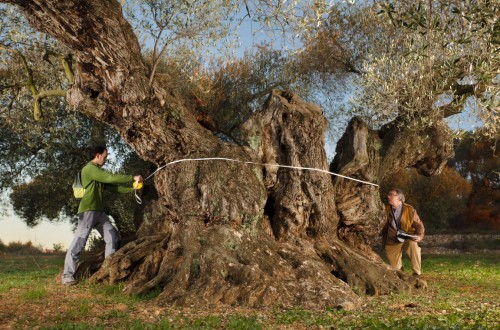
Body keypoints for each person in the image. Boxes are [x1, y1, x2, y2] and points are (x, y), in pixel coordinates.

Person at [62, 145, 143, 285]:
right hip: (88, 211)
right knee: (79, 242)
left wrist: (133, 187)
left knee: (112, 236)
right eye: (104, 157)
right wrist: (131, 178)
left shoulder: (98, 172)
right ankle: (67, 276)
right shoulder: (90, 169)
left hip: (99, 212)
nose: (105, 160)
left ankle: (107, 272)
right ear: (98, 155)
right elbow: (111, 178)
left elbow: (115, 188)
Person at [382, 188, 425, 277]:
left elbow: (419, 224)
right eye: (388, 194)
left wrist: (420, 236)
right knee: (396, 270)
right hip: (392, 240)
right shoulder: (384, 208)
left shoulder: (410, 209)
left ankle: (416, 273)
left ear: (399, 198)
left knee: (414, 246)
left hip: (407, 237)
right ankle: (400, 269)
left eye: (391, 194)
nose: (388, 196)